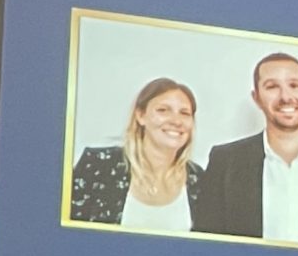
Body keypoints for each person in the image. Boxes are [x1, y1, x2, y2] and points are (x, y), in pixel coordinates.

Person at [193, 51, 298, 246]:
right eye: (272, 87)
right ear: (256, 98)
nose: (286, 97)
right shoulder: (225, 162)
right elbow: (204, 244)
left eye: (294, 85)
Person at [68, 77, 203, 231]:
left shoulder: (199, 180)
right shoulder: (98, 166)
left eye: (184, 113)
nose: (176, 121)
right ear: (140, 115)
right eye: (163, 110)